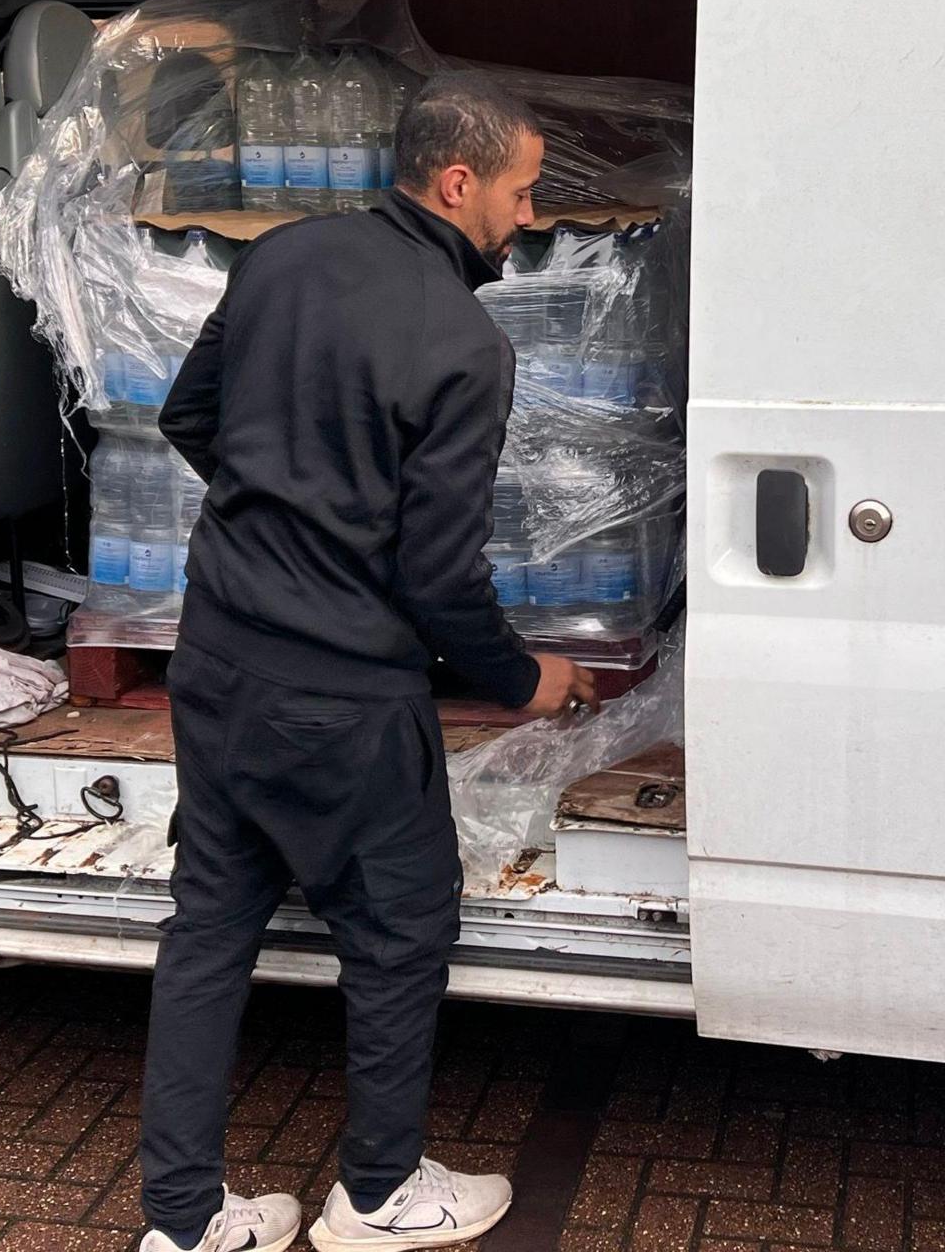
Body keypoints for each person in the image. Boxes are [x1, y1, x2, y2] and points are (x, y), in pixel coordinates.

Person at [139, 70, 602, 1252]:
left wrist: (280, 526)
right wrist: (521, 680)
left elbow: (190, 419)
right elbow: (440, 581)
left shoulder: (283, 258)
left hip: (219, 659)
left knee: (208, 928)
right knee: (398, 934)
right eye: (521, 191)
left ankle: (185, 1221)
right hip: (342, 699)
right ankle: (381, 1196)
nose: (529, 216)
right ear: (458, 182)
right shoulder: (463, 341)